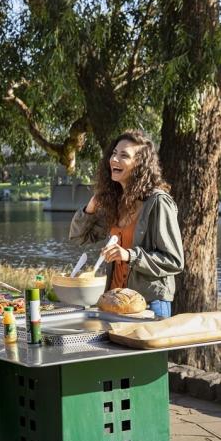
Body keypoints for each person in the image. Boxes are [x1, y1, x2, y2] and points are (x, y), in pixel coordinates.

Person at [69, 130, 184, 318]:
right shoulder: (115, 201)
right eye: (114, 153)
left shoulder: (158, 202)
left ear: (140, 164)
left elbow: (174, 261)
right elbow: (78, 237)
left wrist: (129, 255)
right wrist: (90, 208)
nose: (114, 159)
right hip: (113, 302)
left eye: (124, 155)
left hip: (149, 305)